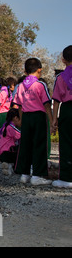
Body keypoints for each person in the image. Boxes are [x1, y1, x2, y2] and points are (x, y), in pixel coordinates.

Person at [12, 58, 54, 186]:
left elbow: (18, 105)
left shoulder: (20, 86)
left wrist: (20, 120)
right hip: (38, 117)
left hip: (26, 117)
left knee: (25, 145)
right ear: (39, 70)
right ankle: (37, 175)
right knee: (39, 145)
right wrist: (52, 122)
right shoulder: (40, 85)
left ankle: (24, 174)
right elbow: (47, 104)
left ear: (25, 71)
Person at [51, 45, 72, 188]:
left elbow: (56, 100)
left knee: (66, 144)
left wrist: (54, 120)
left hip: (67, 110)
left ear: (63, 60)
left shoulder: (60, 77)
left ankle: (66, 178)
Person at [0, 108, 21, 176]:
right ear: (16, 118)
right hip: (8, 153)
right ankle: (16, 167)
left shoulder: (5, 126)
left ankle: (9, 165)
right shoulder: (11, 128)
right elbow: (22, 136)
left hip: (1, 154)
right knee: (22, 149)